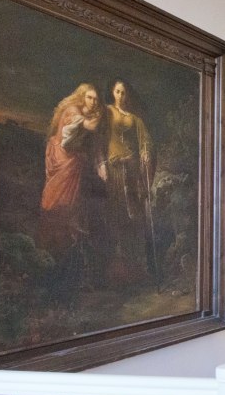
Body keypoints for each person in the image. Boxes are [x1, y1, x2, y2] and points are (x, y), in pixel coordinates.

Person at [40, 82, 107, 285]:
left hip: (76, 165)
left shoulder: (89, 116)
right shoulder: (73, 111)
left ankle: (78, 272)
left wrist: (102, 166)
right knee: (58, 207)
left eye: (96, 99)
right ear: (81, 97)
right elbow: (90, 126)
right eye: (89, 97)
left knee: (78, 211)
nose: (93, 101)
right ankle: (54, 265)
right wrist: (102, 115)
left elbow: (95, 148)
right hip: (61, 161)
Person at [102, 79, 157, 285]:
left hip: (131, 171)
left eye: (124, 92)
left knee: (132, 217)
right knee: (116, 216)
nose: (120, 96)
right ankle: (116, 272)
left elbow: (146, 143)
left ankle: (135, 270)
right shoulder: (106, 112)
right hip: (114, 170)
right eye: (117, 91)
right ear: (112, 92)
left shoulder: (135, 119)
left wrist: (145, 155)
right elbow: (99, 138)